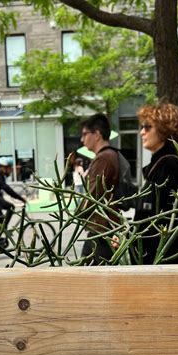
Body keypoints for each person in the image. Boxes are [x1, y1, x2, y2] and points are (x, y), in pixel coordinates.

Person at [132, 101, 178, 264]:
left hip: (162, 260)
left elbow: (163, 217)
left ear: (164, 129)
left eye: (147, 127)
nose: (141, 132)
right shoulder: (163, 162)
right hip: (160, 257)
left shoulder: (168, 164)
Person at [79, 113, 120, 264]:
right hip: (102, 227)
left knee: (95, 276)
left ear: (96, 134)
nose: (82, 139)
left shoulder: (104, 158)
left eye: (85, 134)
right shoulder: (109, 155)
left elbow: (93, 194)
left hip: (103, 228)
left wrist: (77, 215)